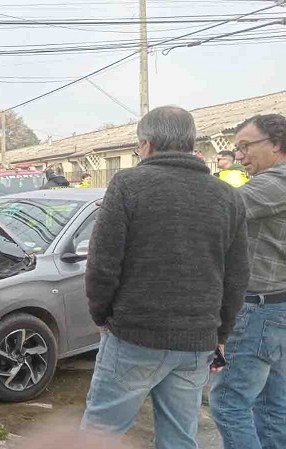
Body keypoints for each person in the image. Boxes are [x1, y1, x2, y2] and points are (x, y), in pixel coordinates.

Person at [81, 106, 250, 449]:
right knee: (180, 437)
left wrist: (101, 315)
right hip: (195, 342)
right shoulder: (228, 197)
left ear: (146, 144)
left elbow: (103, 263)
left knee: (100, 433)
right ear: (189, 142)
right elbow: (236, 277)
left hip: (134, 336)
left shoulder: (128, 183)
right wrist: (221, 334)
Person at [210, 114, 286, 449]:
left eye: (245, 146)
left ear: (277, 145)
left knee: (229, 405)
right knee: (271, 406)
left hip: (259, 310)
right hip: (276, 309)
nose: (239, 156)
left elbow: (215, 208)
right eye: (236, 148)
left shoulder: (276, 183)